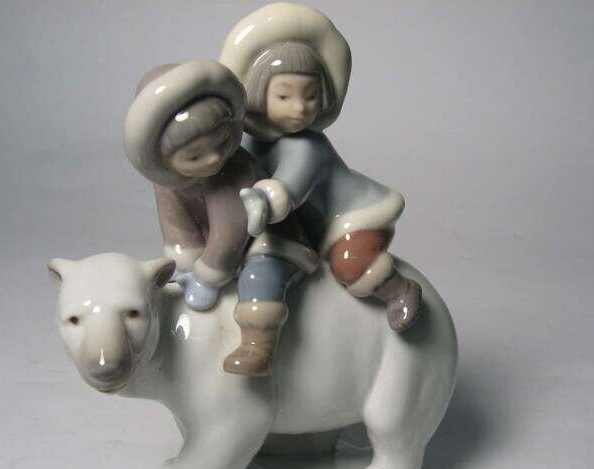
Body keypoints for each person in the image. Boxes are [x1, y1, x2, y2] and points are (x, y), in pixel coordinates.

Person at [220, 3, 423, 333]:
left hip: (351, 218)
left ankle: (399, 290)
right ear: (257, 94)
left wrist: (262, 201)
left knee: (350, 264)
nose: (300, 108)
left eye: (311, 96)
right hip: (306, 226)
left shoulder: (306, 146)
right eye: (284, 96)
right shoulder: (252, 141)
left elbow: (289, 188)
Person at [125, 60, 318, 376]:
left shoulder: (233, 172)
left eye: (222, 142)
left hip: (268, 238)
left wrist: (208, 275)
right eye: (194, 155)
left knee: (259, 277)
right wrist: (184, 259)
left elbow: (231, 232)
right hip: (217, 246)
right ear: (161, 156)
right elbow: (175, 224)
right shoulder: (167, 181)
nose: (214, 158)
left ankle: (259, 345)